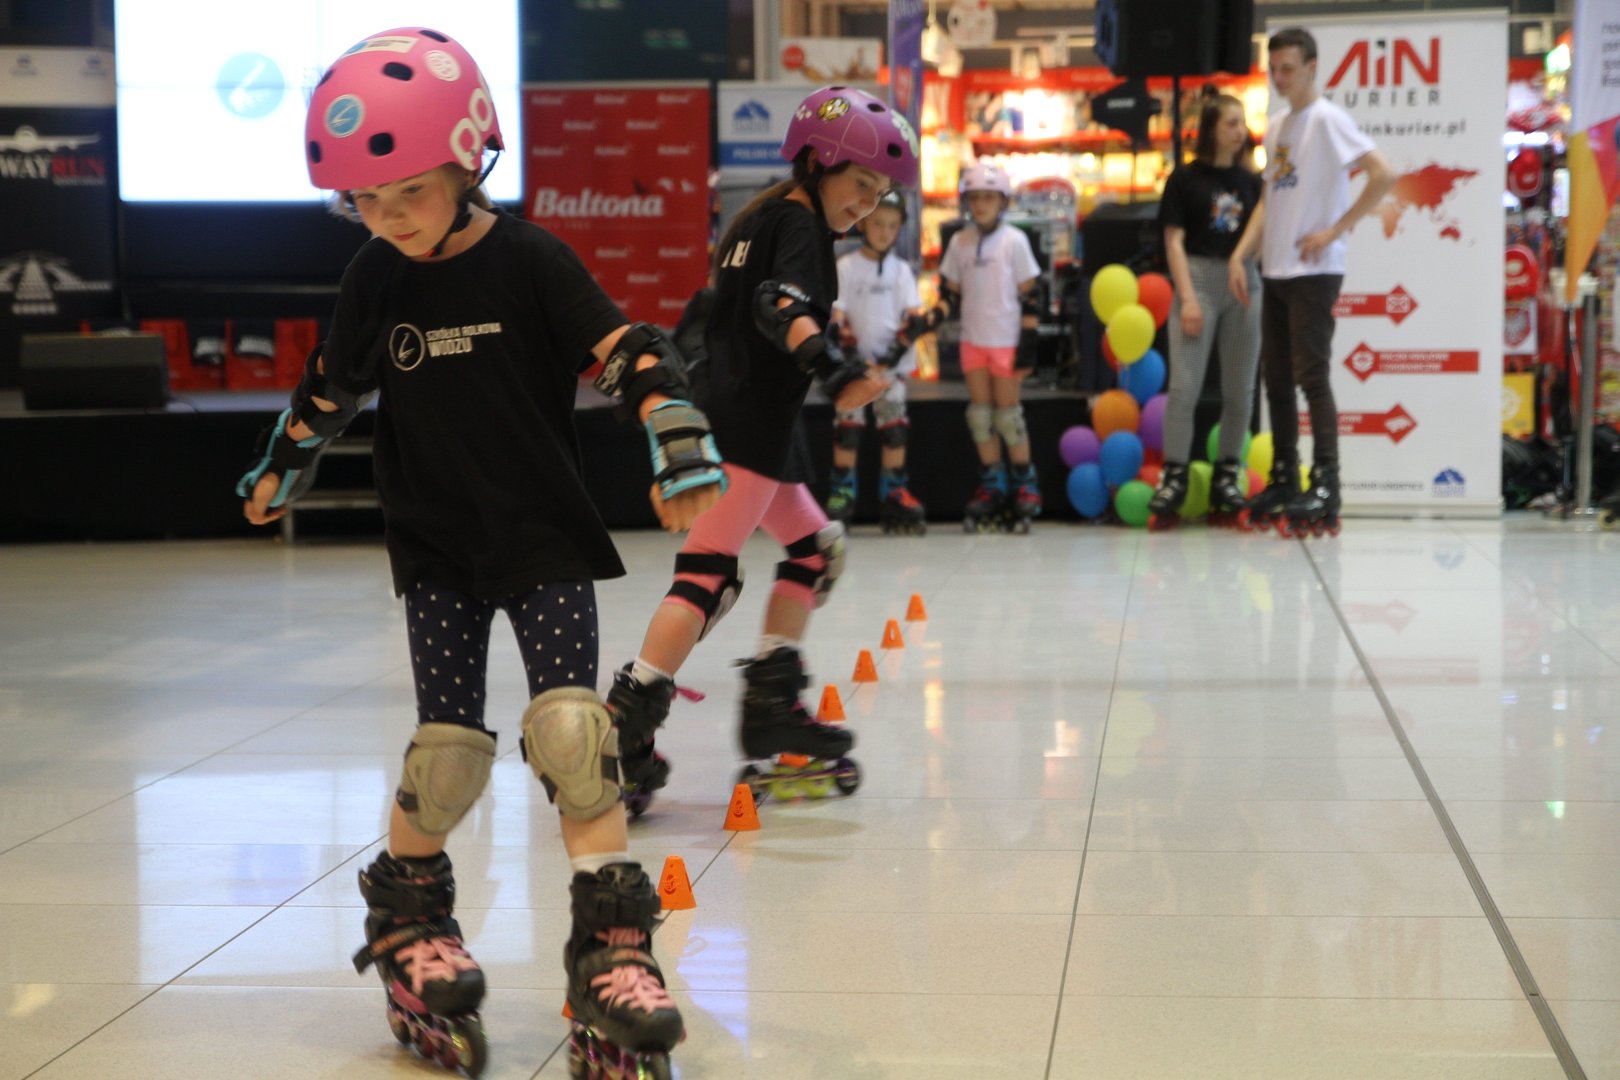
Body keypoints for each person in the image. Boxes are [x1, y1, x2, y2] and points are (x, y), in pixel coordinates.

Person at [234, 28, 722, 1077]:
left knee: (576, 740)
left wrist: (674, 430)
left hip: (542, 535)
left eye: (409, 191)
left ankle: (614, 955)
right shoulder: (376, 276)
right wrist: (285, 461)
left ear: (470, 159)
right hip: (438, 546)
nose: (389, 218)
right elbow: (331, 386)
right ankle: (410, 924)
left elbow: (627, 351)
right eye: (366, 201)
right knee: (448, 755)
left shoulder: (530, 259)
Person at [605, 84, 918, 805]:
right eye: (859, 184)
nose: (866, 204)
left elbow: (724, 311)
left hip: (751, 426)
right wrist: (835, 372)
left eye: (878, 195)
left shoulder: (759, 217)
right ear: (818, 162)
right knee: (706, 577)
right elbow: (780, 305)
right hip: (745, 429)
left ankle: (772, 708)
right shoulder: (799, 225)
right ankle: (623, 732)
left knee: (815, 551)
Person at [1229, 26, 1395, 535]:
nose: (1279, 78)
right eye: (1273, 69)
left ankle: (1327, 481)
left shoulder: (1328, 119)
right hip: (1276, 269)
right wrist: (1239, 255)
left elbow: (1383, 174)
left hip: (1314, 272)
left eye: (1288, 69)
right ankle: (1286, 476)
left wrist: (1336, 230)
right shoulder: (1277, 125)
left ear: (1311, 68)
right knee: (1275, 380)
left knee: (1311, 376)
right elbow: (1268, 199)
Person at [1148, 94, 1263, 529]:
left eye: (1242, 123)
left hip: (1242, 283)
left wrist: (1251, 269)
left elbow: (1260, 236)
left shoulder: (1252, 183)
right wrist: (1189, 297)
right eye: (1231, 122)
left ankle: (1228, 474)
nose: (1240, 131)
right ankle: (1174, 475)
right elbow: (1173, 241)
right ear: (1212, 127)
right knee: (1185, 387)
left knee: (1240, 389)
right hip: (1197, 279)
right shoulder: (1185, 179)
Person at [929, 161, 1043, 532]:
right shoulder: (960, 242)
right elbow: (950, 292)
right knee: (980, 416)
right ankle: (993, 483)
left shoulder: (1015, 241)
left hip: (1006, 341)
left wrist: (1029, 341)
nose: (980, 205)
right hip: (973, 340)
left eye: (988, 198)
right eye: (975, 198)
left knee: (1008, 416)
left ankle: (1024, 482)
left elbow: (1032, 293)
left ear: (1002, 202)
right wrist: (930, 317)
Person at [826, 189, 928, 534]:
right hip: (854, 370)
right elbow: (837, 320)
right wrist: (856, 362)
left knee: (894, 431)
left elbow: (914, 320)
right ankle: (842, 492)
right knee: (847, 431)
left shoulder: (902, 271)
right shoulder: (847, 267)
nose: (884, 232)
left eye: (892, 226)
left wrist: (887, 361)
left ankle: (894, 492)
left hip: (890, 369)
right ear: (863, 223)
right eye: (878, 223)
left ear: (900, 228)